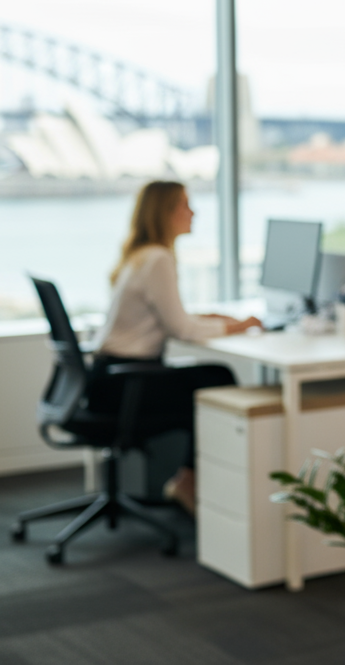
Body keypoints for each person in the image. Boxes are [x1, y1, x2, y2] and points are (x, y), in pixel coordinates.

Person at [92, 180, 261, 514]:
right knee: (216, 378)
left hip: (108, 378)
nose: (193, 212)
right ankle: (188, 479)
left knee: (211, 376)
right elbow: (181, 329)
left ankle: (191, 477)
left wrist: (213, 318)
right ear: (164, 213)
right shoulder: (157, 259)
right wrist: (239, 325)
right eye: (185, 204)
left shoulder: (140, 256)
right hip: (128, 386)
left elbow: (167, 316)